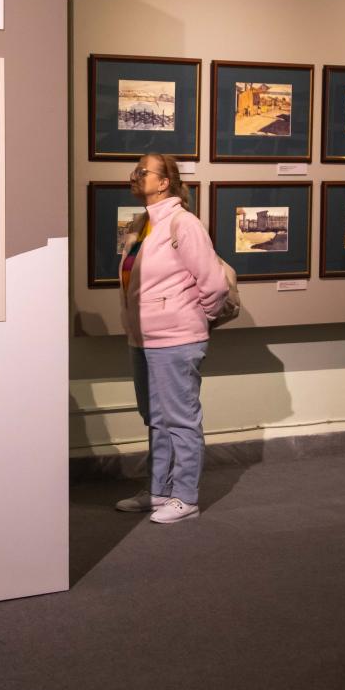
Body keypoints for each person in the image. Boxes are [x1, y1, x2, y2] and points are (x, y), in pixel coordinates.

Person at [114, 153, 229, 524]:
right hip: (142, 338)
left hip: (176, 338)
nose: (135, 175)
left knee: (180, 420)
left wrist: (193, 318)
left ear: (164, 182)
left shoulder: (184, 224)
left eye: (142, 171)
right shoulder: (141, 225)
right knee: (156, 418)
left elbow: (214, 284)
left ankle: (185, 497)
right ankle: (159, 490)